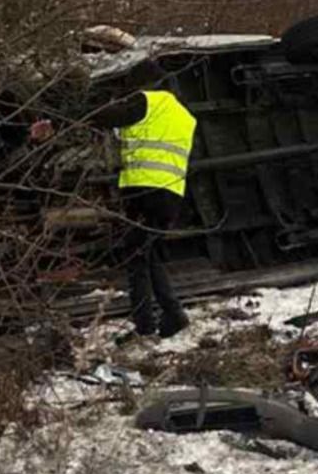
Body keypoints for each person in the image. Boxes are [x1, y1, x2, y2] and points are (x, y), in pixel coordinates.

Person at [31, 80, 197, 339]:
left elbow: (107, 117)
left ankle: (145, 327)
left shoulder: (150, 101)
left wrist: (57, 122)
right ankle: (173, 314)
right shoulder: (182, 114)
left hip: (146, 192)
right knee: (146, 254)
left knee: (135, 257)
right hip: (169, 193)